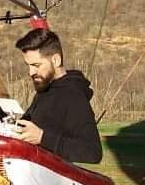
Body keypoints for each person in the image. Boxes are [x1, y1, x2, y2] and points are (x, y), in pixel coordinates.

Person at [13, 28, 102, 163]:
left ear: (55, 60)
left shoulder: (73, 95)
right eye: (28, 65)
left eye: (36, 65)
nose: (31, 72)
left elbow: (92, 152)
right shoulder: (44, 91)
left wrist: (43, 137)